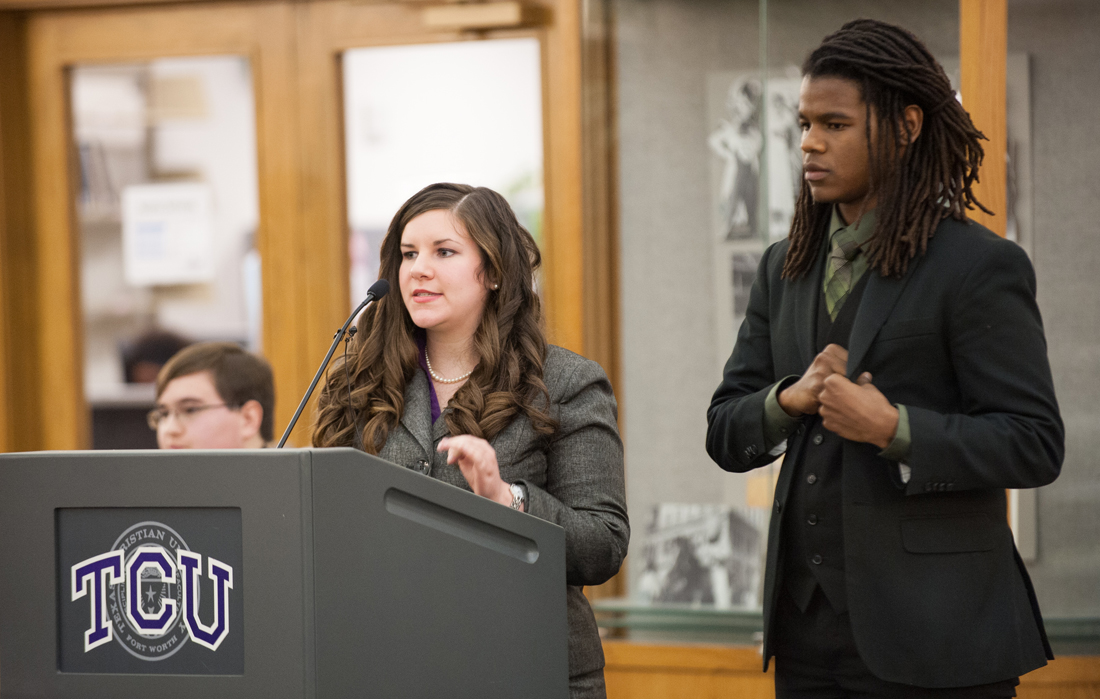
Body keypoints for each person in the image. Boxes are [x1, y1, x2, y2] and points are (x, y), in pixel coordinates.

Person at [705, 19, 1063, 699]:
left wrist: (894, 428)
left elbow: (1035, 443)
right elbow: (725, 428)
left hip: (940, 641)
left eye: (834, 124)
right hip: (805, 640)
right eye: (804, 123)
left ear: (906, 125)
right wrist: (786, 401)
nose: (809, 142)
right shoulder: (784, 268)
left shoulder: (979, 267)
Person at [312, 183, 629, 698]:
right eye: (409, 254)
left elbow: (603, 546)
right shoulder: (361, 381)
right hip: (390, 667)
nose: (419, 269)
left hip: (524, 668)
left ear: (495, 271)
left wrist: (508, 499)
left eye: (445, 252)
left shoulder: (567, 382)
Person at [150, 341, 276, 450]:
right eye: (164, 414)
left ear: (248, 419)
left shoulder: (290, 477)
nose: (170, 429)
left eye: (190, 410)